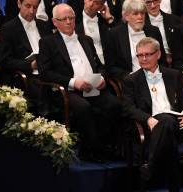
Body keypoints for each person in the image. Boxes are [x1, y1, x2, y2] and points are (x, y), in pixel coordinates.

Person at [37, 3, 121, 162]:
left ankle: (102, 145)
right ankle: (92, 150)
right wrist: (73, 82)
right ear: (55, 22)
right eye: (64, 19)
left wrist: (102, 78)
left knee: (114, 104)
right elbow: (45, 73)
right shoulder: (47, 42)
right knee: (84, 107)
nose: (69, 22)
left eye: (71, 18)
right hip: (68, 90)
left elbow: (100, 66)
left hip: (93, 86)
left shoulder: (86, 39)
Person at [122, 37, 183, 192]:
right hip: (150, 126)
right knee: (167, 137)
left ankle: (150, 165)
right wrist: (148, 119)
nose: (143, 59)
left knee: (167, 121)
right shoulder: (131, 80)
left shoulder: (173, 75)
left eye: (147, 55)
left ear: (158, 54)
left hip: (176, 124)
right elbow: (128, 108)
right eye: (140, 56)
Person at [105, 0, 166, 80]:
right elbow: (111, 67)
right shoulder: (114, 34)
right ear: (126, 16)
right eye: (135, 14)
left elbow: (162, 60)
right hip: (131, 81)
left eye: (142, 13)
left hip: (155, 77)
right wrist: (130, 76)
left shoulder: (154, 31)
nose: (140, 17)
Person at [75, 0, 119, 66]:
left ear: (101, 7)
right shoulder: (73, 20)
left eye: (96, 2)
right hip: (83, 65)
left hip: (106, 66)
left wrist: (109, 18)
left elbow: (119, 40)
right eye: (89, 0)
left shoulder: (104, 22)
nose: (91, 4)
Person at [144, 0, 182, 67]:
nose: (153, 5)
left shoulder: (175, 20)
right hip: (154, 64)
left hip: (176, 63)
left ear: (160, 1)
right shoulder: (142, 24)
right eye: (148, 2)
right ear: (143, 3)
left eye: (155, 1)